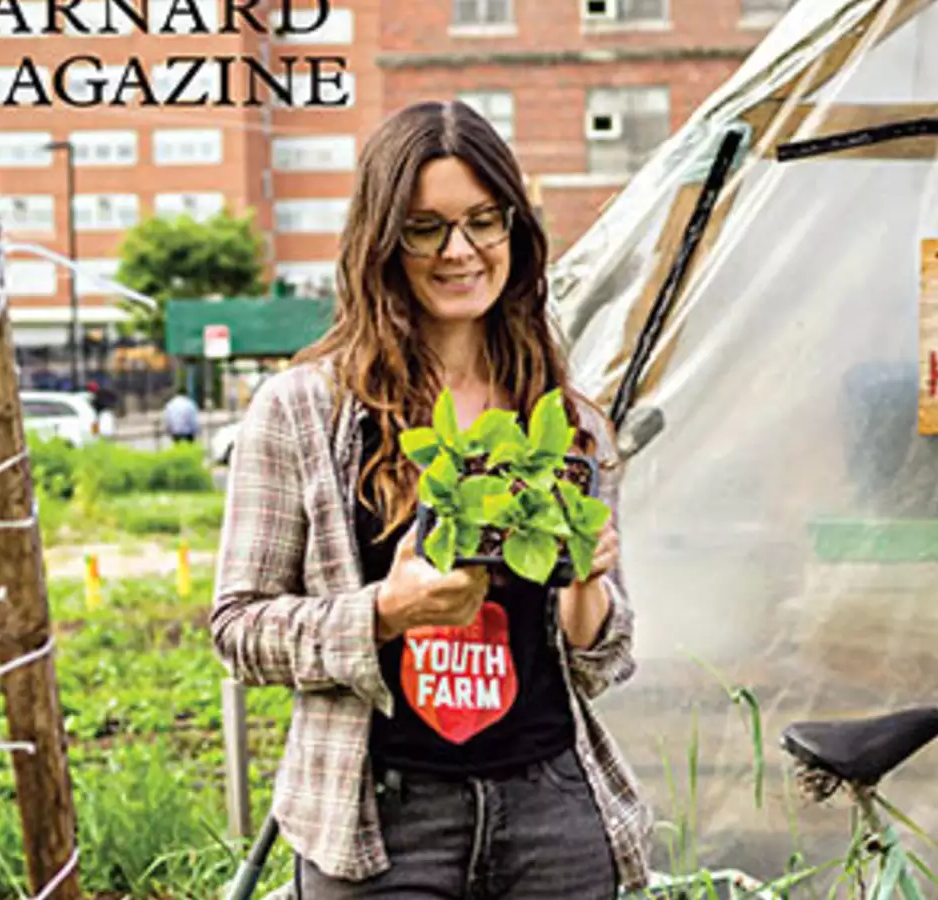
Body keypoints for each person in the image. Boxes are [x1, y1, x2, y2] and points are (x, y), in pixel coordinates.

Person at [210, 101, 650, 899]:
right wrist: (385, 610)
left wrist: (587, 583)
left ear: (516, 231)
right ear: (383, 242)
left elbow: (603, 654)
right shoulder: (304, 410)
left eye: (485, 221)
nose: (461, 251)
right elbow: (238, 628)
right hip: (381, 823)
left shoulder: (566, 421)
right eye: (426, 228)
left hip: (550, 812)